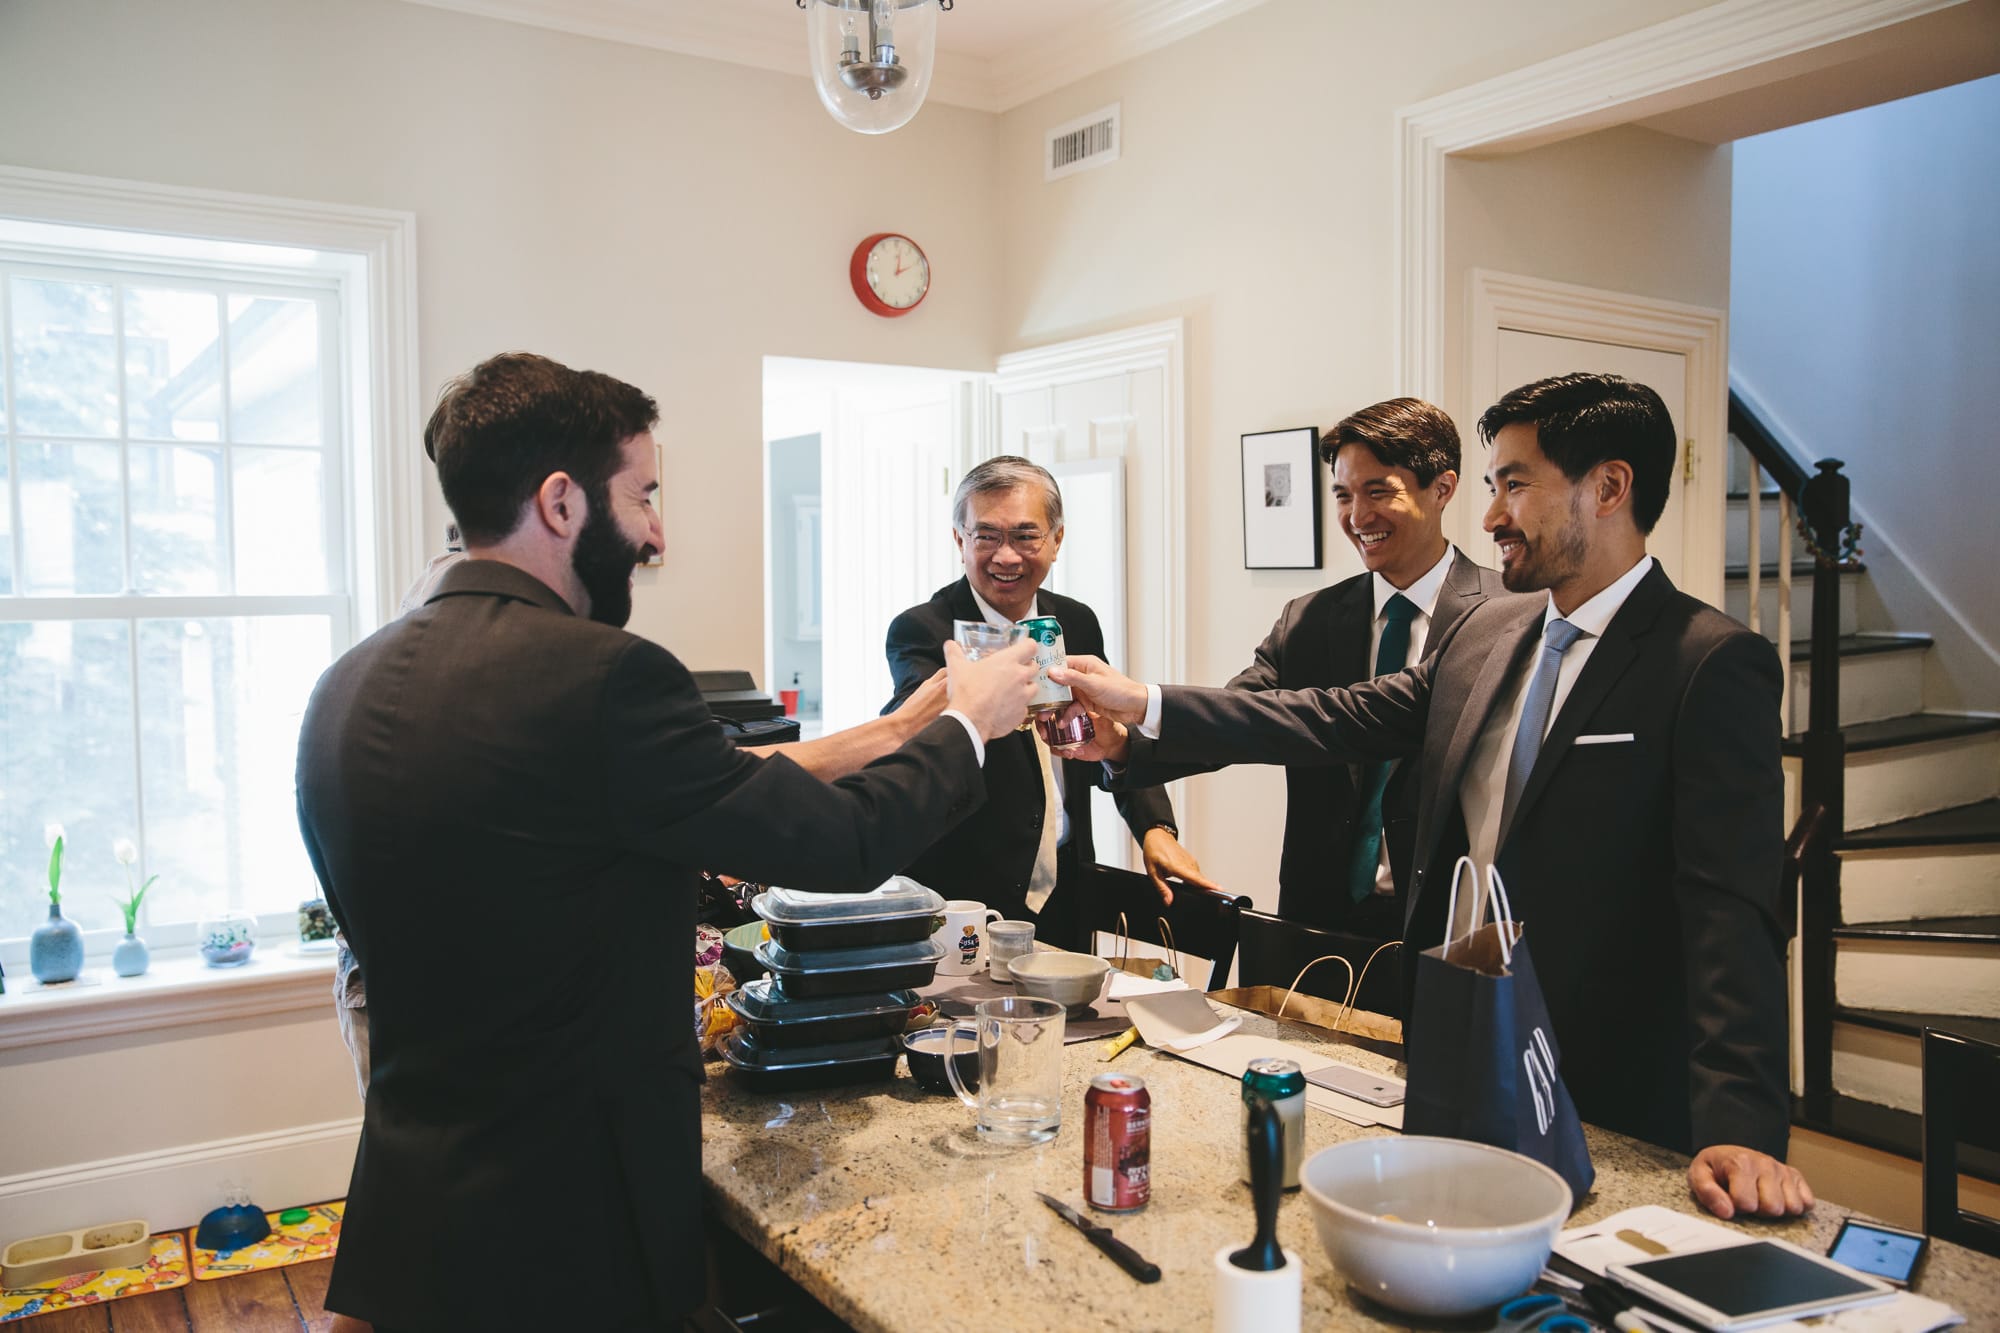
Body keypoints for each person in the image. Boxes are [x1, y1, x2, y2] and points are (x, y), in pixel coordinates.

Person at [296, 352, 1038, 1332]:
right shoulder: (602, 676)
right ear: (562, 503)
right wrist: (969, 727)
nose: (655, 530)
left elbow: (708, 798)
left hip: (416, 1209)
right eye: (643, 493)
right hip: (574, 1217)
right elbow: (844, 843)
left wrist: (907, 724)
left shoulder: (344, 686)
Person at [1056, 373, 1811, 1221]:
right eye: (1493, 486)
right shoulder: (1489, 633)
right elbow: (1331, 718)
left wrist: (1744, 1123)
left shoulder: (1708, 661)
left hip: (1607, 1071)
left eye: (1515, 483)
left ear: (1609, 487)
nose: (1491, 517)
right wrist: (1146, 707)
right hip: (1453, 1040)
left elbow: (1731, 910)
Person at [1131, 399, 1509, 940]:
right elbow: (1240, 719)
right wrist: (1123, 743)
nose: (1357, 518)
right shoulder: (1309, 618)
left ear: (1443, 488)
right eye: (1343, 495)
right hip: (1314, 921)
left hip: (1449, 925)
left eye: (1379, 491)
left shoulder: (1504, 616)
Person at [883, 456, 1215, 948]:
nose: (1006, 556)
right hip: (964, 895)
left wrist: (1154, 827)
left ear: (1057, 540)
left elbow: (1109, 728)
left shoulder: (1076, 622)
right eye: (987, 536)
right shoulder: (925, 630)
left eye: (1024, 535)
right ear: (960, 541)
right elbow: (915, 729)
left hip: (1066, 883)